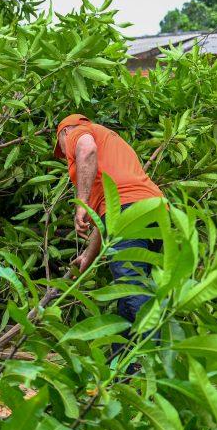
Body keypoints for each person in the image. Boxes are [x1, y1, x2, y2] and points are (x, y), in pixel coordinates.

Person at [54, 114, 163, 354]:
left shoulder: (78, 133)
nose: (65, 157)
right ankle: (124, 372)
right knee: (129, 293)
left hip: (129, 212)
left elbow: (86, 148)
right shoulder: (112, 142)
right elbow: (107, 218)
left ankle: (157, 361)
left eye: (61, 151)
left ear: (64, 132)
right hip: (152, 211)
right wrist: (88, 257)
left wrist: (81, 202)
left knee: (131, 286)